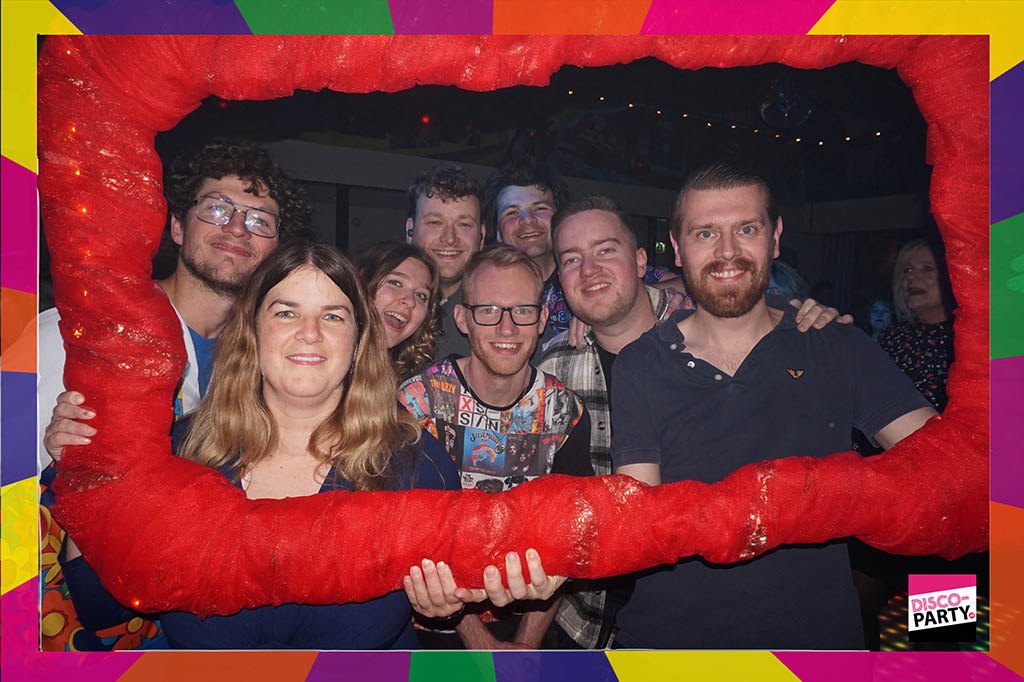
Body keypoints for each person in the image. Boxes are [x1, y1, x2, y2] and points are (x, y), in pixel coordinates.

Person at [53, 241, 464, 648]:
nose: (310, 333)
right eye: (286, 312)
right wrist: (91, 469)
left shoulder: (416, 464)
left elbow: (450, 594)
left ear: (358, 339)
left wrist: (445, 604)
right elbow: (99, 603)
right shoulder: (180, 450)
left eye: (333, 316)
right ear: (252, 330)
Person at [609, 162, 937, 649]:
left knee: (953, 653)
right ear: (677, 248)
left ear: (775, 237)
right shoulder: (641, 363)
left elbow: (944, 469)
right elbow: (639, 520)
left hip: (813, 647)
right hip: (670, 645)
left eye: (746, 229)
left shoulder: (836, 345)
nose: (727, 251)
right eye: (705, 233)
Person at [539, 194, 850, 649]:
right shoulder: (552, 366)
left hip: (729, 612)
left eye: (605, 250)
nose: (589, 270)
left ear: (642, 260)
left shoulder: (714, 322)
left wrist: (807, 321)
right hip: (588, 615)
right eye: (571, 259)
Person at [38, 139, 310, 651]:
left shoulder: (271, 368)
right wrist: (67, 457)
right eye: (217, 209)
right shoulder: (84, 334)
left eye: (259, 220)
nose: (237, 228)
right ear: (179, 227)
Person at [398, 244, 594, 649]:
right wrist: (480, 643)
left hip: (529, 623)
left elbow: (565, 543)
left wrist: (525, 646)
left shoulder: (565, 413)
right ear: (463, 319)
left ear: (542, 319)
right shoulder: (418, 404)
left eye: (522, 310)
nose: (507, 329)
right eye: (488, 310)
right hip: (428, 631)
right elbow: (410, 541)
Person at [484, 158, 683, 340]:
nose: (527, 220)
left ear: (560, 223)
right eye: (512, 212)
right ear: (498, 232)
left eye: (540, 209)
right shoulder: (486, 286)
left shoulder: (589, 270)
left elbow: (685, 283)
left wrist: (606, 306)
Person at [404, 163, 486, 361]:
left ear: (482, 236)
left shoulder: (501, 317)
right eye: (435, 222)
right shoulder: (375, 303)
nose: (450, 238)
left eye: (464, 224)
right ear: (410, 231)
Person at [877, 238, 956, 410]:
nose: (911, 277)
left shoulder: (968, 338)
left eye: (927, 268)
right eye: (906, 270)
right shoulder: (892, 338)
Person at [355, 241, 442, 379]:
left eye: (421, 295)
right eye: (395, 283)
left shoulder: (410, 385)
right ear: (362, 284)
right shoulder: (326, 360)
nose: (410, 301)